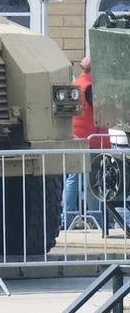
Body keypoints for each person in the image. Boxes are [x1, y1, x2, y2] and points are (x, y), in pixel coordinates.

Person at [63, 56, 107, 229]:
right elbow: (103, 110)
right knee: (94, 180)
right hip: (93, 139)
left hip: (76, 138)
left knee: (73, 178)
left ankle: (66, 219)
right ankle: (96, 218)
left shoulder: (76, 84)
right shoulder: (92, 87)